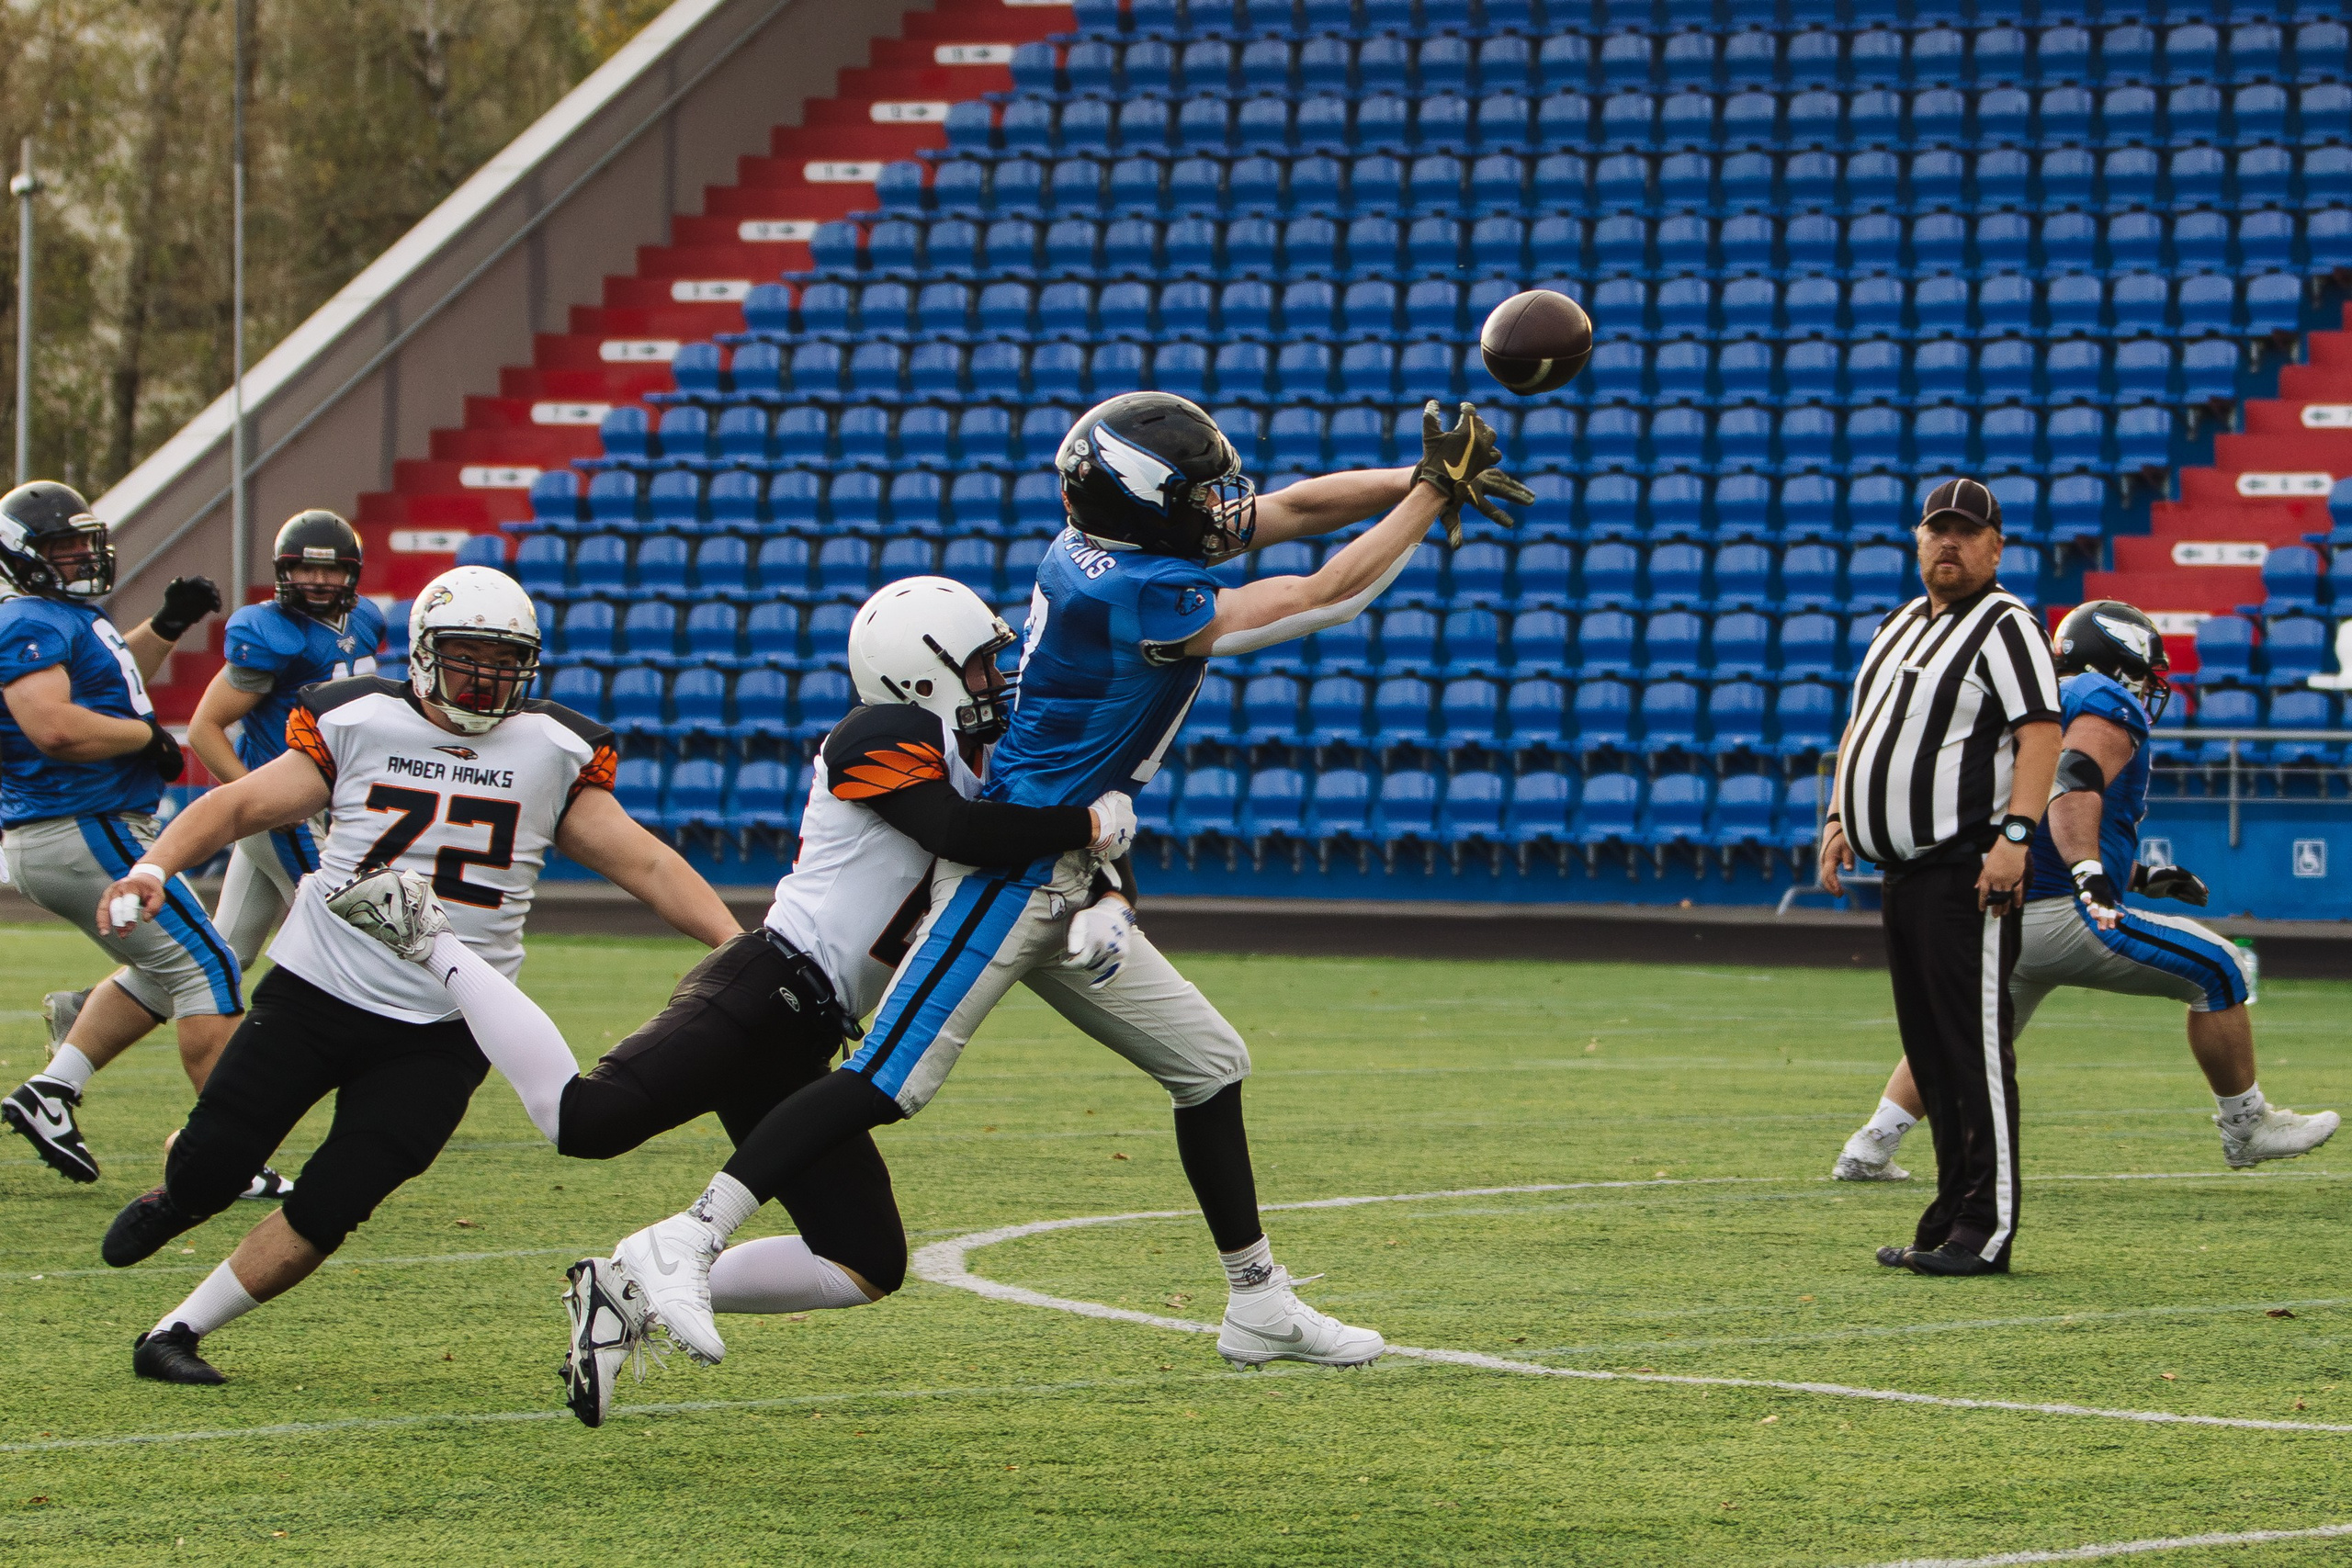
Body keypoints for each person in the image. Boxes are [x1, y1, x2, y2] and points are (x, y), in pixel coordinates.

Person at [603, 393, 1533, 1375]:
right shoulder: (1130, 594)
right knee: (886, 1081)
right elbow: (1322, 594)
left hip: (1070, 872)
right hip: (1013, 871)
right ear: (1140, 506)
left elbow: (1295, 508)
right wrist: (1430, 497)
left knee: (1208, 1064)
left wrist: (1419, 475)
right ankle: (685, 1240)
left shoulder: (1102, 548)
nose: (1221, 509)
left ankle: (1259, 1302)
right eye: (1197, 495)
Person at [322, 576, 1135, 1425]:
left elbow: (1047, 844)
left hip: (810, 1022)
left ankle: (625, 1293)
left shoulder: (973, 763)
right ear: (920, 667)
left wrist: (1111, 884)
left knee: (864, 1259)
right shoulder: (879, 733)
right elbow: (961, 835)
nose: (991, 680)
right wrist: (1088, 824)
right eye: (977, 663)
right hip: (766, 984)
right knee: (583, 1121)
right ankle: (432, 936)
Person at [89, 565, 741, 1386]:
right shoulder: (360, 719)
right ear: (426, 653)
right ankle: (180, 1193)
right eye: (468, 655)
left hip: (449, 1023)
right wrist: (153, 868)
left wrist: (732, 942)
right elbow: (237, 806)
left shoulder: (552, 748)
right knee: (217, 1164)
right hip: (318, 991)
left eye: (504, 660)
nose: (485, 676)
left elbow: (643, 859)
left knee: (336, 1198)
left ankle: (176, 1329)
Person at [1833, 600, 2336, 1182]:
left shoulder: (2036, 705)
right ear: (2120, 658)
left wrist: (2141, 876)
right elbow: (2074, 780)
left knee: (1968, 1034)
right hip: (2056, 913)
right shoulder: (2102, 696)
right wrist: (2090, 873)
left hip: (2004, 911)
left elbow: (2041, 816)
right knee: (2220, 967)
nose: (2150, 685)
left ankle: (1870, 1145)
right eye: (2147, 670)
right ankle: (2248, 1126)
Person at [1820, 478, 2063, 1278]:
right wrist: (1837, 818)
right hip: (1903, 871)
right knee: (1931, 1050)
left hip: (1969, 870)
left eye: (1967, 532)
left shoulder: (2009, 624)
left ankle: (1985, 1229)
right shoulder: (1898, 626)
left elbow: (2040, 732)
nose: (1949, 544)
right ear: (1917, 541)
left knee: (1974, 1050)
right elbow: (1862, 726)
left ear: (1997, 547)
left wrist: (2016, 837)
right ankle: (1948, 1217)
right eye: (1937, 530)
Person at [0, 479, 247, 1188]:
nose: (80, 554)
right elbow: (52, 724)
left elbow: (112, 681)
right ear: (24, 556)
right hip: (79, 822)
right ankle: (230, 1152)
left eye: (84, 540)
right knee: (209, 967)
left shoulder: (63, 615)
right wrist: (146, 737)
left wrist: (167, 623)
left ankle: (53, 1089)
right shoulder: (27, 619)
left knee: (167, 968)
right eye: (61, 545)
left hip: (81, 825)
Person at [181, 510, 385, 969]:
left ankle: (87, 1009)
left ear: (350, 571)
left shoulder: (366, 618)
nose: (316, 580)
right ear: (283, 571)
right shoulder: (271, 631)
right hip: (288, 802)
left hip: (327, 797)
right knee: (343, 934)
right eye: (305, 568)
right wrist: (260, 803)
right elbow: (204, 729)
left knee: (226, 954)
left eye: (330, 568)